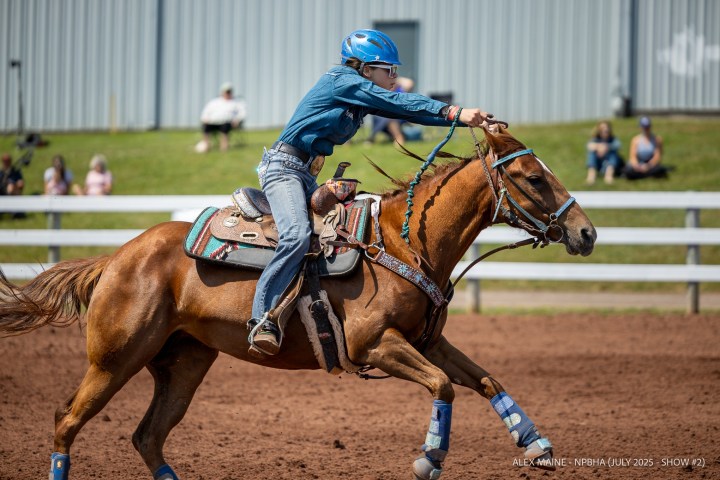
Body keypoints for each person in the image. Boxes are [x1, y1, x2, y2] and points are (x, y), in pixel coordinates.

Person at [248, 29, 492, 356]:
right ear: (365, 70)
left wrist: (462, 120)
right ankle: (261, 319)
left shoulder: (357, 95)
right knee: (296, 234)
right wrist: (454, 112)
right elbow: (397, 101)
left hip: (304, 173)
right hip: (284, 169)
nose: (395, 77)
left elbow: (406, 110)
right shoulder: (341, 81)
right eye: (388, 70)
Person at [366, 76, 420, 145]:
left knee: (389, 117)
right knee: (386, 116)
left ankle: (372, 138)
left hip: (398, 119)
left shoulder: (399, 91)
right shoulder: (382, 91)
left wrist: (395, 80)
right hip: (383, 121)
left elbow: (409, 83)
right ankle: (398, 137)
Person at [197, 82, 247, 152]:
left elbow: (242, 113)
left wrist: (237, 120)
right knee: (206, 126)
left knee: (224, 127)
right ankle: (206, 145)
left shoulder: (237, 102)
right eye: (226, 92)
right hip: (213, 122)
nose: (227, 93)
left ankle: (223, 147)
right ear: (222, 92)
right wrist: (205, 119)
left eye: (229, 92)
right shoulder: (214, 102)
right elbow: (206, 112)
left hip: (228, 123)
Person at [585, 120, 622, 185]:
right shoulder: (595, 139)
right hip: (599, 163)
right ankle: (591, 175)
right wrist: (599, 147)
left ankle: (609, 175)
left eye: (606, 128)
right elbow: (589, 146)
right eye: (603, 129)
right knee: (592, 153)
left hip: (609, 163)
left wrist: (606, 147)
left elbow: (618, 145)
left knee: (613, 153)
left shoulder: (613, 139)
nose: (605, 130)